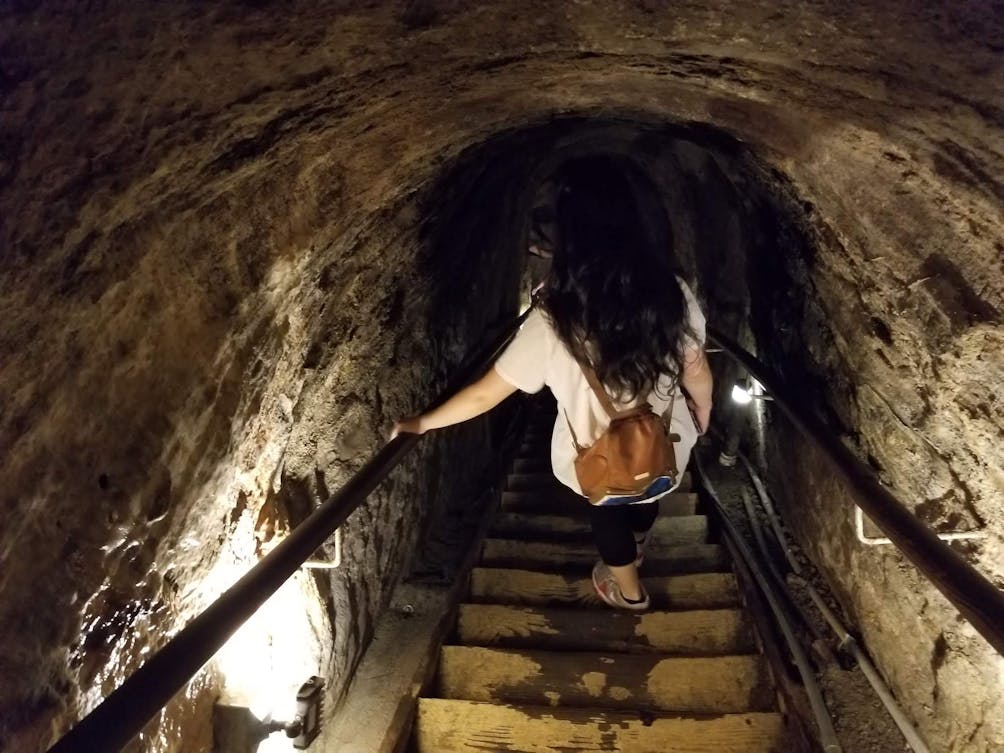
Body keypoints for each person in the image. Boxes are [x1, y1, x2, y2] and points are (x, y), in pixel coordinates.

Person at [393, 154, 713, 611]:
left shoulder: (552, 320)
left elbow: (486, 393)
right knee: (649, 488)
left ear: (569, 238)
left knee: (608, 511)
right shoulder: (672, 293)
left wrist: (422, 423)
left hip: (593, 454)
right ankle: (639, 542)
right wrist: (703, 409)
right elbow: (696, 368)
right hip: (667, 440)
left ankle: (630, 593)